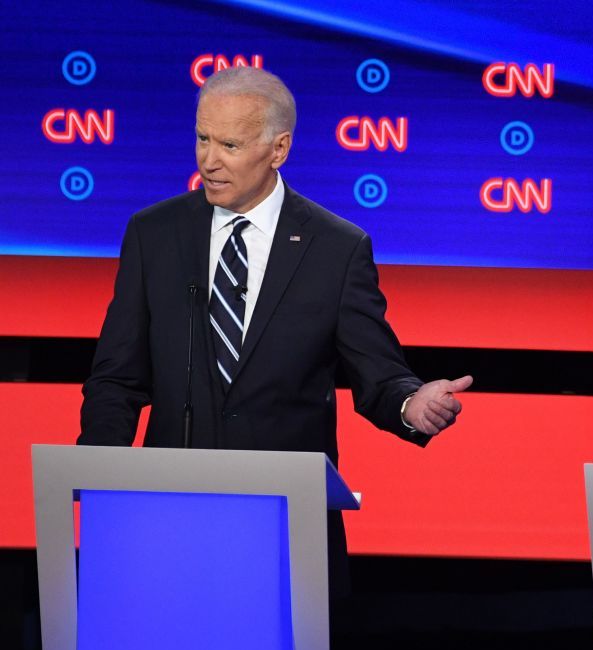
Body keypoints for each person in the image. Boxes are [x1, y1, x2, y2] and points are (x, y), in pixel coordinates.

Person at [78, 66, 471, 596]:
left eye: (230, 144)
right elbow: (116, 379)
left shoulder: (336, 249)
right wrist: (101, 477)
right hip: (169, 520)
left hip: (288, 528)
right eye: (202, 138)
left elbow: (378, 375)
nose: (208, 161)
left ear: (278, 149)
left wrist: (411, 406)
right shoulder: (155, 233)